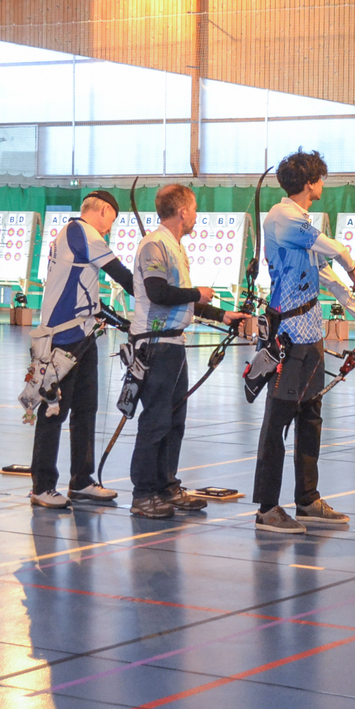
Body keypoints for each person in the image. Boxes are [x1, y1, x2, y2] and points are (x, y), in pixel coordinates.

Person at [251, 150, 355, 535]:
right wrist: (354, 265)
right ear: (310, 183)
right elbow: (335, 251)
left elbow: (324, 275)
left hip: (311, 334)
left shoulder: (302, 220)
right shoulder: (283, 216)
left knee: (311, 417)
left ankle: (306, 499)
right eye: (321, 178)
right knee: (278, 421)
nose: (323, 184)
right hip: (288, 336)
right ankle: (268, 508)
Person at [128, 184, 251, 519]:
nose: (195, 215)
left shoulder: (175, 247)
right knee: (155, 420)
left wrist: (223, 315)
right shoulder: (155, 243)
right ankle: (143, 494)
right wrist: (197, 293)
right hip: (154, 344)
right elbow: (157, 292)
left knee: (175, 421)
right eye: (194, 209)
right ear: (182, 211)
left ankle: (167, 486)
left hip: (174, 342)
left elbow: (182, 299)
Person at [27, 190, 134, 508]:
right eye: (110, 222)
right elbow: (123, 277)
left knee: (86, 409)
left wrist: (120, 320)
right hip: (63, 338)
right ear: (102, 210)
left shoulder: (74, 235)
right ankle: (42, 485)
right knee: (53, 410)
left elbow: (85, 292)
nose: (108, 230)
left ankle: (82, 480)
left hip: (84, 333)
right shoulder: (81, 231)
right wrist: (159, 294)